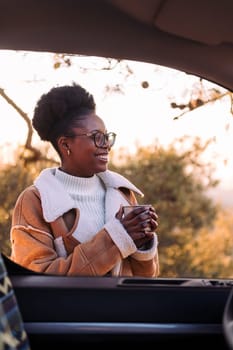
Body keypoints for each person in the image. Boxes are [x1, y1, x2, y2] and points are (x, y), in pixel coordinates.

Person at [10, 83, 159, 277]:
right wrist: (117, 237)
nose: (106, 145)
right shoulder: (35, 201)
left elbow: (146, 278)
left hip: (124, 307)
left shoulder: (122, 193)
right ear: (65, 145)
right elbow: (38, 277)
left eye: (107, 137)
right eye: (97, 137)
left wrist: (142, 242)